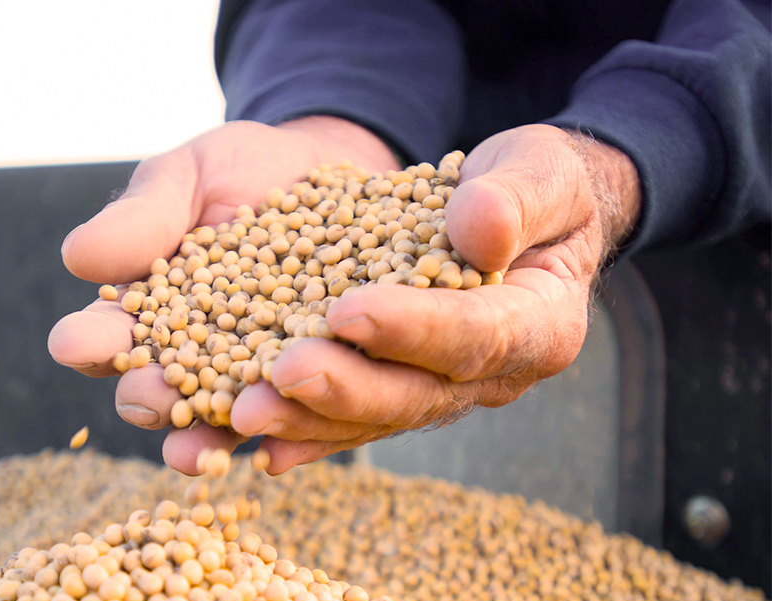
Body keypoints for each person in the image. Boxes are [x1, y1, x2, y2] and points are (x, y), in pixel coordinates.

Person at [47, 0, 770, 475]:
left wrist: (647, 141)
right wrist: (328, 111)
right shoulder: (324, 241)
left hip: (736, 198)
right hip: (441, 195)